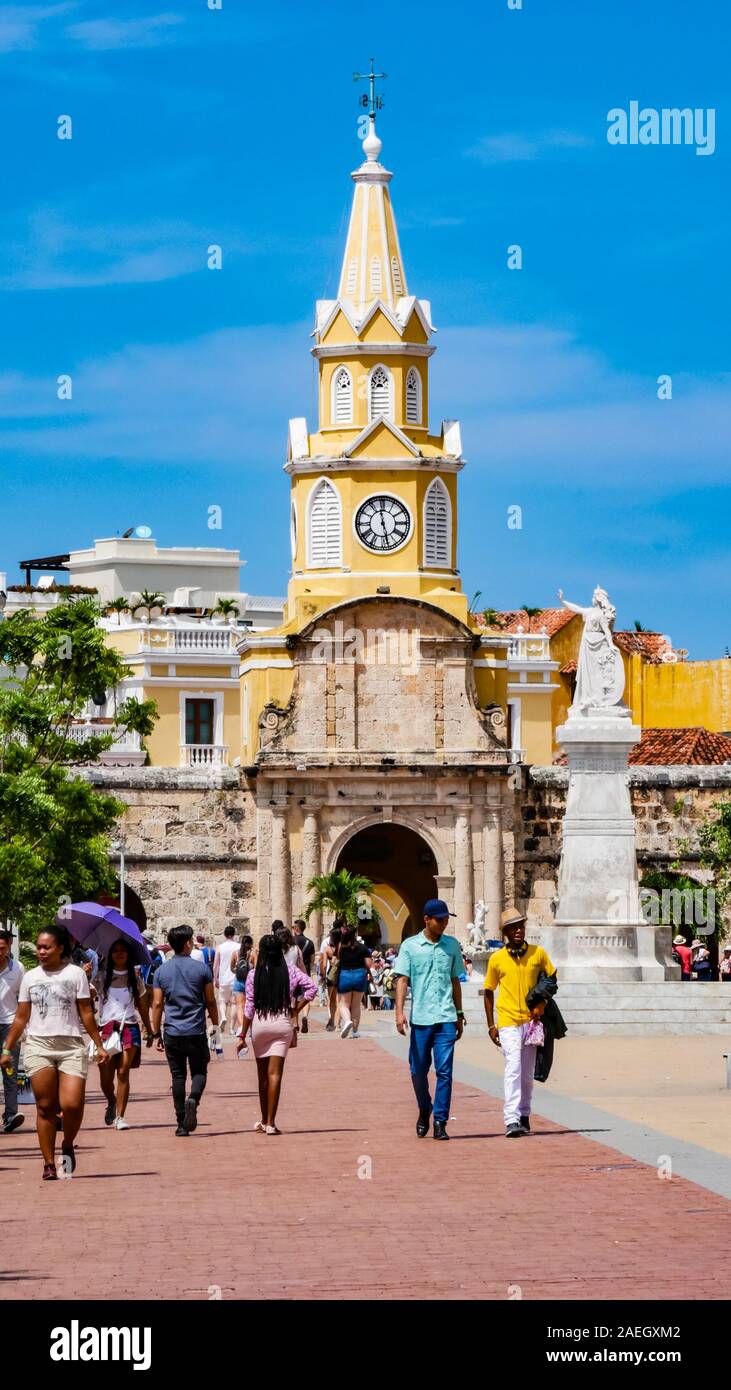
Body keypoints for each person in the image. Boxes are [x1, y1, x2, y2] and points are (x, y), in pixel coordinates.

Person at [0, 923, 108, 1180]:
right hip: (39, 1046)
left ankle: (67, 1144)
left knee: (72, 1105)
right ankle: (49, 1163)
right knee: (45, 1107)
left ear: (60, 948)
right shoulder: (30, 977)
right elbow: (21, 1017)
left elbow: (85, 1012)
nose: (41, 951)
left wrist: (99, 1044)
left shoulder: (75, 975)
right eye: (38, 947)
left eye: (46, 947)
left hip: (70, 1045)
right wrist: (7, 1048)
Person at [393, 900, 465, 1141]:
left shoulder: (452, 946)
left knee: (444, 1071)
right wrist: (399, 1012)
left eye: (446, 919)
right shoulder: (410, 946)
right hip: (422, 1018)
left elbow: (455, 981)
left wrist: (460, 1013)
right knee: (418, 1069)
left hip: (446, 1017)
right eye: (440, 919)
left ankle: (440, 1121)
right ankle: (425, 1107)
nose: (444, 924)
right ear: (427, 919)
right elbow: (402, 980)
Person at [483, 907, 556, 1138]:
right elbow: (488, 991)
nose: (518, 930)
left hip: (531, 1021)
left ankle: (524, 1113)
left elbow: (551, 981)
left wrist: (541, 1005)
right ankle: (511, 1119)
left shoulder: (538, 953)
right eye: (513, 927)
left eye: (521, 926)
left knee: (526, 1073)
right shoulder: (496, 959)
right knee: (513, 1067)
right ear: (505, 932)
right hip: (507, 1020)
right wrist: (491, 1024)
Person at [236, 933, 316, 1134]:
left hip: (260, 1025)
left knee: (262, 1076)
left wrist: (242, 1035)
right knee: (275, 1074)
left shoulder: (254, 974)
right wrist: (296, 1010)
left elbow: (249, 1007)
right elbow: (312, 989)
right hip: (282, 1024)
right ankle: (271, 1123)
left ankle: (263, 1120)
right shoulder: (291, 971)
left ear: (261, 952)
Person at [150, 924, 219, 1136]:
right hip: (196, 1030)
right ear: (188, 943)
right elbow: (210, 1000)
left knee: (177, 1077)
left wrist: (156, 1032)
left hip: (172, 1031)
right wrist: (215, 1026)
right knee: (199, 1071)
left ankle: (181, 1123)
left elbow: (158, 1004)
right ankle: (193, 1099)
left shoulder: (161, 971)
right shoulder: (201, 970)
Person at [96, 939, 154, 1130]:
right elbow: (86, 998)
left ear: (129, 955)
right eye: (116, 950)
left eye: (123, 951)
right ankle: (111, 1101)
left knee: (123, 1072)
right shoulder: (101, 976)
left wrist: (150, 1030)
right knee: (105, 1075)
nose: (119, 954)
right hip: (106, 1028)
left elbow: (143, 1006)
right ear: (110, 954)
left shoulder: (135, 978)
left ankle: (120, 1116)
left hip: (129, 1028)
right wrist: (85, 975)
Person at [0, 929, 25, 1134]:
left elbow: (24, 999)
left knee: (10, 1070)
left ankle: (10, 1115)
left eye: (2, 948)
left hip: (10, 1024)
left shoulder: (18, 968)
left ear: (8, 947)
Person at [335, 927, 373, 1038]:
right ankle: (355, 1031)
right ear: (355, 934)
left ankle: (347, 1021)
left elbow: (335, 960)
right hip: (359, 975)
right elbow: (368, 964)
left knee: (344, 1004)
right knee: (356, 1005)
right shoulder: (362, 947)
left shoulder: (341, 947)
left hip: (345, 974)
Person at [213, 925, 238, 1033]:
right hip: (235, 978)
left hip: (223, 978)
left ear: (224, 935)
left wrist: (215, 978)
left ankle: (223, 1016)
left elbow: (215, 965)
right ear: (234, 934)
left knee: (222, 1001)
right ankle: (232, 1028)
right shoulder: (239, 946)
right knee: (234, 1003)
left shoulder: (220, 947)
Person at [293, 919, 316, 1033]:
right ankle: (305, 1016)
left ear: (296, 928)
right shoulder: (310, 942)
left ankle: (295, 1023)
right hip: (304, 972)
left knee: (294, 998)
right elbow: (312, 961)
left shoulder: (291, 942)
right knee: (305, 996)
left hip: (292, 973)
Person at [231, 935, 254, 1041]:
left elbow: (231, 968)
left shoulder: (235, 953)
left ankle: (240, 1027)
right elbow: (257, 968)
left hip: (238, 981)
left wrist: (237, 971)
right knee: (250, 1005)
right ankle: (250, 1029)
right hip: (250, 982)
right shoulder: (253, 953)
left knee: (240, 1006)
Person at [320, 926, 343, 1032]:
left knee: (332, 1000)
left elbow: (324, 965)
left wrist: (323, 976)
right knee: (340, 1000)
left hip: (331, 975)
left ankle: (332, 1020)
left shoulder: (327, 949)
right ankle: (338, 1024)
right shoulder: (343, 948)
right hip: (341, 974)